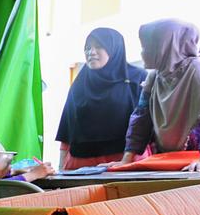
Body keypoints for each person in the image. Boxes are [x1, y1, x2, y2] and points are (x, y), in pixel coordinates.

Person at [115, 19, 200, 172]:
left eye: (147, 46)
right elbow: (141, 117)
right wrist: (126, 159)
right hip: (170, 156)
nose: (142, 53)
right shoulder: (155, 76)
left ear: (165, 46)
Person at [55, 28, 148, 170]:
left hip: (126, 163)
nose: (91, 52)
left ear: (114, 48)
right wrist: (60, 169)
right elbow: (67, 129)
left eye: (98, 46)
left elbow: (147, 122)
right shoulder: (80, 83)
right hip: (81, 166)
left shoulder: (137, 78)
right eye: (87, 48)